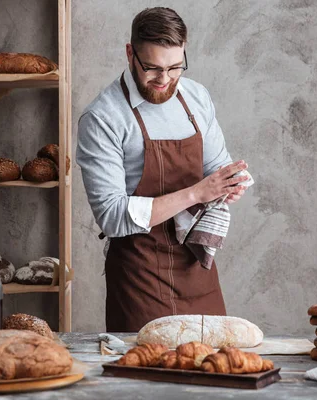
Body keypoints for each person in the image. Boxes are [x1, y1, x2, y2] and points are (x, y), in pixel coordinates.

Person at [77, 7, 250, 332]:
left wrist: (228, 186)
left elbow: (217, 169)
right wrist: (198, 192)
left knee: (214, 370)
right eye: (153, 68)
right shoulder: (103, 118)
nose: (164, 79)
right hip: (140, 275)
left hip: (196, 268)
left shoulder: (196, 97)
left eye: (175, 67)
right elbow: (112, 217)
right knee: (148, 377)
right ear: (131, 54)